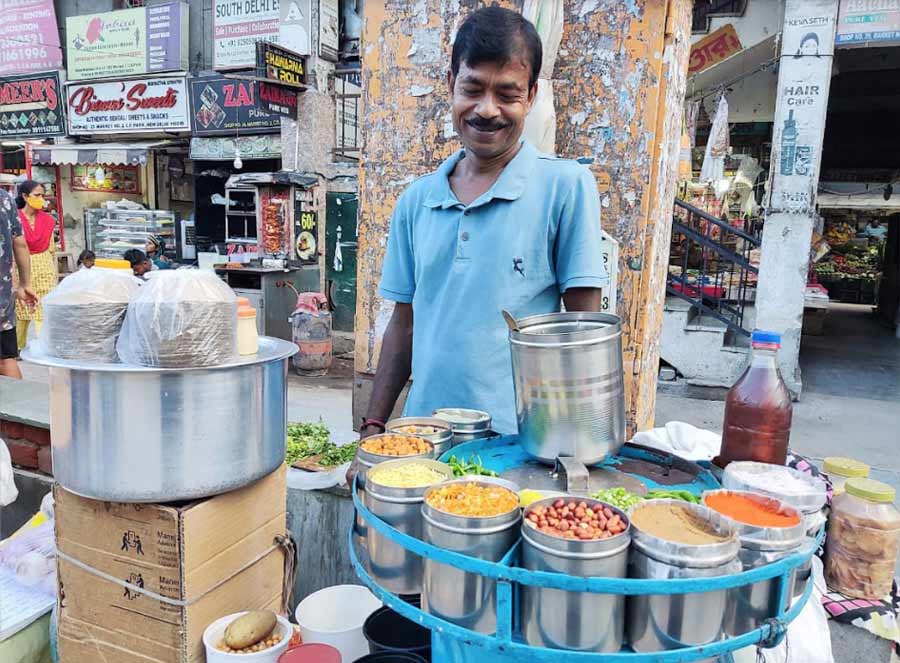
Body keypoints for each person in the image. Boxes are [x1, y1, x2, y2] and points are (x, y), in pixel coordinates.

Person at [353, 7, 607, 457]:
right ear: (450, 84)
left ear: (530, 96)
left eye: (506, 94)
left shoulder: (565, 188)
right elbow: (404, 326)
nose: (487, 110)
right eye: (472, 89)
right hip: (422, 441)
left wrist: (580, 449)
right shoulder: (416, 201)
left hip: (521, 447)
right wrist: (374, 426)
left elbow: (582, 333)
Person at [14, 181, 58, 350]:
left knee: (44, 309)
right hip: (22, 267)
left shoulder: (47, 220)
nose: (41, 199)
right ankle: (17, 347)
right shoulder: (15, 219)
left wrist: (52, 271)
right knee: (21, 310)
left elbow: (51, 249)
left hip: (44, 268)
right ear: (25, 196)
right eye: (37, 195)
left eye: (42, 195)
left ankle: (45, 347)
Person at [0, 188, 38, 379]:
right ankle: (17, 408)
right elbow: (20, 243)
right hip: (2, 296)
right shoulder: (4, 198)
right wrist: (25, 283)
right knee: (6, 358)